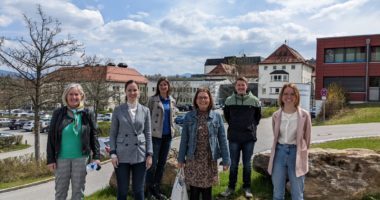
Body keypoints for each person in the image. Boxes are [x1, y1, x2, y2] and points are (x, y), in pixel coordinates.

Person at [47, 83, 100, 200]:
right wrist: (50, 159)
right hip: (61, 159)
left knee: (78, 192)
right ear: (66, 96)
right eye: (71, 94)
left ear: (81, 96)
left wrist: (97, 156)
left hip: (81, 159)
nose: (73, 97)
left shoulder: (88, 113)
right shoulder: (58, 113)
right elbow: (51, 137)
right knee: (60, 192)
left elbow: (94, 135)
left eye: (76, 94)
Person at [178, 88, 230, 200]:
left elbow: (222, 140)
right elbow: (184, 140)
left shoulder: (217, 117)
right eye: (200, 97)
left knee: (207, 193)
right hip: (193, 160)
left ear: (210, 99)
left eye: (205, 97)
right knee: (194, 193)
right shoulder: (189, 116)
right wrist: (181, 159)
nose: (203, 100)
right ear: (196, 100)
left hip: (209, 161)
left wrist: (226, 160)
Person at [109, 80, 153, 200]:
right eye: (129, 90)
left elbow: (148, 133)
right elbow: (112, 133)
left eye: (135, 90)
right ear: (125, 92)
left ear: (139, 91)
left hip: (140, 153)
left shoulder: (145, 110)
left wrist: (149, 154)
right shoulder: (118, 110)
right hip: (121, 154)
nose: (132, 93)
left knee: (138, 190)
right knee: (122, 190)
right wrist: (113, 153)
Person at [267, 83, 311, 200]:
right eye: (286, 93)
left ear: (296, 96)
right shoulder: (276, 115)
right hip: (279, 153)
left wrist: (303, 153)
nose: (289, 96)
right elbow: (276, 135)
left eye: (292, 94)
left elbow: (307, 139)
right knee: (277, 193)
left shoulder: (305, 115)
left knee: (297, 194)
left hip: (296, 153)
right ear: (281, 96)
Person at [221, 76, 261, 198]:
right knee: (233, 164)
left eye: (243, 85)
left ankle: (247, 187)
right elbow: (227, 117)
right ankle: (231, 187)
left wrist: (250, 127)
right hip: (234, 137)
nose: (241, 87)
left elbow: (257, 118)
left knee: (247, 164)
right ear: (235, 87)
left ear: (246, 86)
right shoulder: (229, 100)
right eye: (238, 85)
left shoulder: (255, 101)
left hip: (249, 137)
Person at [146, 77, 176, 200]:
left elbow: (173, 117)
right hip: (155, 136)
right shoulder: (153, 100)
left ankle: (156, 189)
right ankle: (149, 192)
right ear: (158, 87)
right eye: (161, 85)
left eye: (165, 85)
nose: (163, 87)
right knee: (152, 164)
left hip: (167, 137)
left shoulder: (172, 100)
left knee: (162, 164)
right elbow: (147, 118)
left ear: (168, 86)